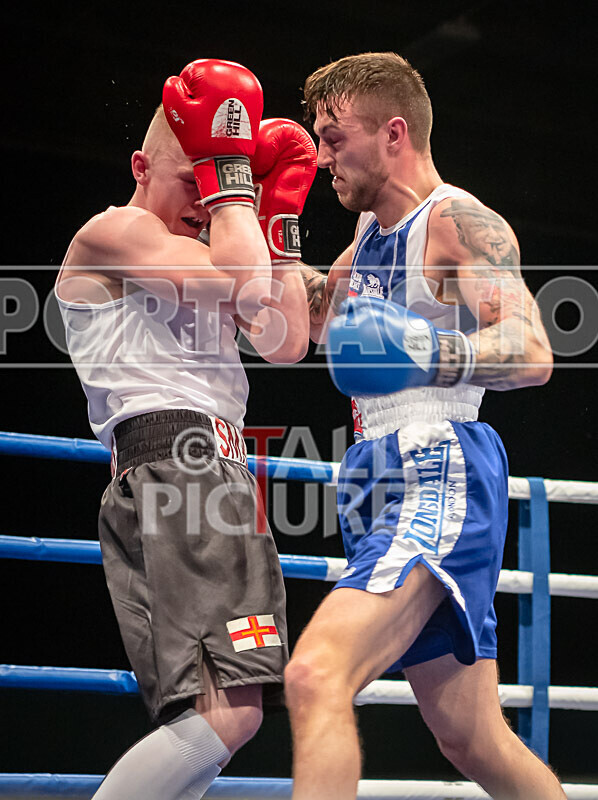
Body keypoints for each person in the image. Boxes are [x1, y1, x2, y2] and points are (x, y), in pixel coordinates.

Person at [286, 52, 565, 800]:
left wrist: (427, 350)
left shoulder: (454, 222)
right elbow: (291, 328)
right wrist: (262, 214)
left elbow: (534, 352)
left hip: (436, 460)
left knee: (314, 675)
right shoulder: (367, 244)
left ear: (394, 133)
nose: (320, 159)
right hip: (377, 473)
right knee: (470, 736)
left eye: (333, 137)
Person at [56, 58, 316, 800]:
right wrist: (233, 172)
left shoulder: (217, 249)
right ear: (142, 166)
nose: (207, 198)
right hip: (179, 467)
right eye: (192, 176)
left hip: (211, 477)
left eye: (215, 181)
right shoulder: (115, 233)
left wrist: (278, 216)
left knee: (213, 717)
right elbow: (242, 285)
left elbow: (286, 339)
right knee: (231, 715)